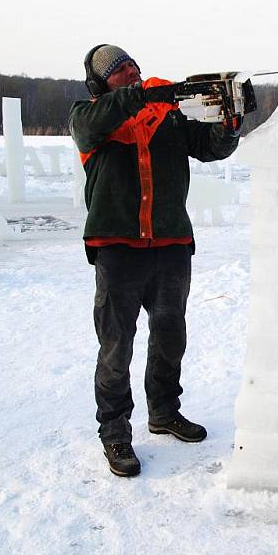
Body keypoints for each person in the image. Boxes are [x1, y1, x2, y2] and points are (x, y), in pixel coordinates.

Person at [69, 44, 241, 477]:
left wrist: (229, 123)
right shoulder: (88, 117)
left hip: (170, 245)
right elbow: (93, 125)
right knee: (116, 346)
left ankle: (164, 412)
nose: (130, 72)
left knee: (169, 337)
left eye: (133, 66)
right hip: (117, 249)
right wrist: (143, 96)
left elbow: (211, 148)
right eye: (118, 71)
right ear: (99, 83)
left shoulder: (170, 117)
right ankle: (115, 432)